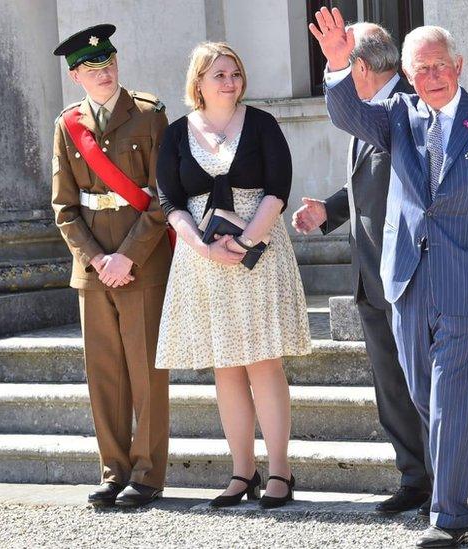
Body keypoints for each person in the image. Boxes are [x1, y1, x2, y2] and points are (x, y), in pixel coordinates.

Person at [310, 8, 468, 547]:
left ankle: (449, 517)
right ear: (409, 76)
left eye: (441, 64)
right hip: (410, 280)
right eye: (422, 69)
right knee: (424, 394)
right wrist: (340, 64)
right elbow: (347, 113)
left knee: (451, 398)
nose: (433, 75)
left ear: (458, 65)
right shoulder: (397, 118)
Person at [154, 42, 312, 510]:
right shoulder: (178, 133)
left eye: (235, 73)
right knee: (226, 367)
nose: (230, 81)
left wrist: (246, 243)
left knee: (264, 363)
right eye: (219, 74)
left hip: (258, 249)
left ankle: (281, 471)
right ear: (198, 82)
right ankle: (243, 471)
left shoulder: (261, 123)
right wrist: (203, 247)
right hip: (203, 259)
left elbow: (278, 189)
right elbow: (170, 203)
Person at [292, 22, 433, 517]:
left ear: (359, 67)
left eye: (340, 61)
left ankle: (446, 481)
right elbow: (372, 183)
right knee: (390, 384)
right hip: (370, 271)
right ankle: (414, 478)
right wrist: (330, 210)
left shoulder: (413, 106)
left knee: (421, 384)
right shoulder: (375, 110)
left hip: (409, 275)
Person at [50, 23, 172, 508]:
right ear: (76, 75)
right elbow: (64, 207)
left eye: (110, 63)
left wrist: (128, 256)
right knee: (104, 375)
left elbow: (165, 195)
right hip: (94, 267)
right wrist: (98, 259)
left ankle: (147, 474)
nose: (105, 73)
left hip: (141, 261)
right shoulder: (67, 124)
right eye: (93, 68)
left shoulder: (148, 115)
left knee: (146, 373)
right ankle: (113, 471)